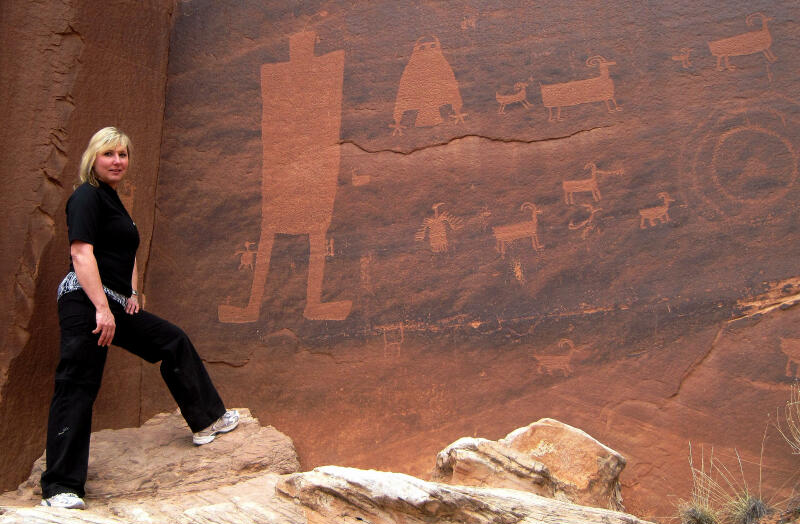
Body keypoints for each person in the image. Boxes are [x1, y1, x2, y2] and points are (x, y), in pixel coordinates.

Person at [40, 127, 239, 510]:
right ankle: (60, 488)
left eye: (123, 155)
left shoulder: (113, 201)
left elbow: (127, 250)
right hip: (85, 301)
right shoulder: (85, 197)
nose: (117, 161)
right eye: (109, 154)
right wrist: (101, 307)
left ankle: (205, 421)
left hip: (113, 301)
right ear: (93, 159)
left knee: (171, 340)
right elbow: (82, 254)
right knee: (77, 385)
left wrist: (131, 293)